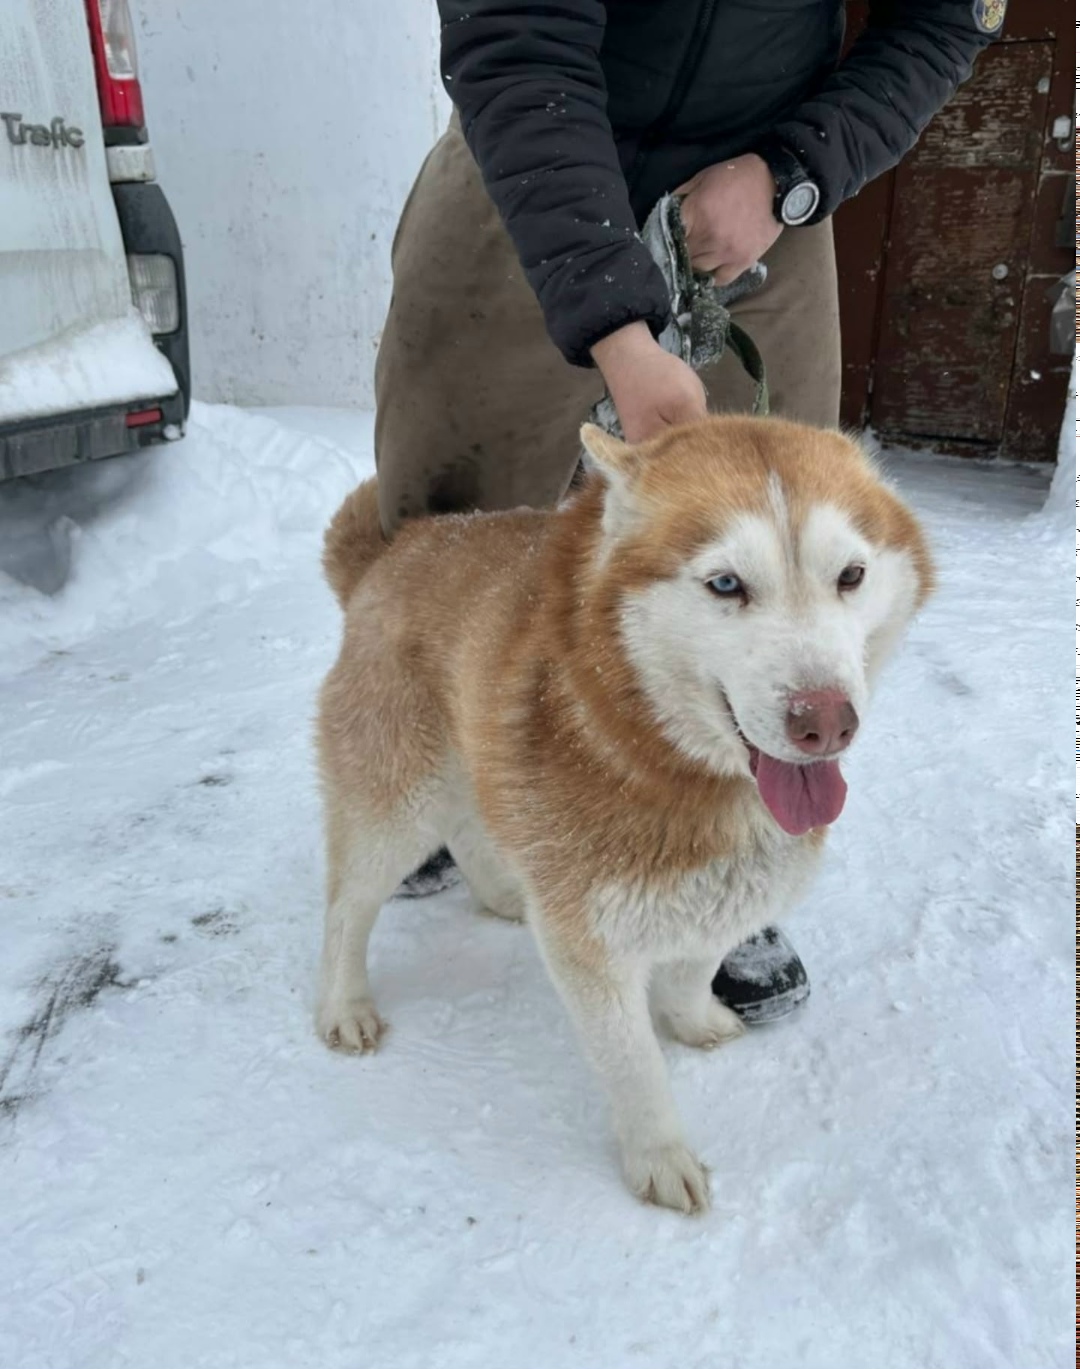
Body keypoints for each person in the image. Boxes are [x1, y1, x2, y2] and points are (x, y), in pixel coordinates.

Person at [373, 0, 1001, 1021]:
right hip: (538, 146)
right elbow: (516, 33)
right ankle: (432, 765)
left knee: (782, 546)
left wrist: (790, 173)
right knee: (448, 512)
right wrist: (616, 330)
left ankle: (730, 855)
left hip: (757, 176)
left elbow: (943, 18)